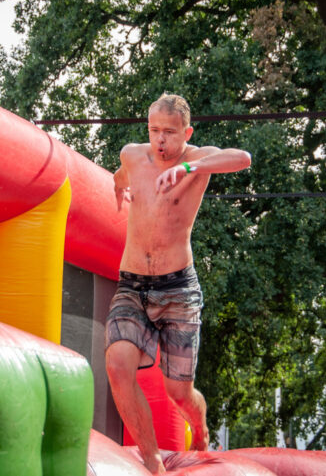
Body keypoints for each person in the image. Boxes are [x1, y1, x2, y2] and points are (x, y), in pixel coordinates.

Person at [105, 93, 251, 474]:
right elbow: (122, 173)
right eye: (154, 130)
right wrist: (119, 185)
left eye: (169, 132)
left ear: (186, 132)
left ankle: (199, 427)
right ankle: (152, 458)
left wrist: (189, 168)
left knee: (177, 392)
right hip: (133, 284)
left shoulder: (200, 159)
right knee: (118, 365)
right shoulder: (133, 155)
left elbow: (243, 159)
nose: (161, 140)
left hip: (179, 289)